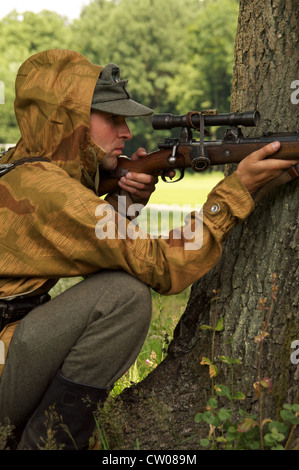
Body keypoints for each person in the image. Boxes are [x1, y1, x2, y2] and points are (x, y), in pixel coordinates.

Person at [0, 49, 296, 450]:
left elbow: (83, 243)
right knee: (125, 298)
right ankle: (48, 444)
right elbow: (161, 264)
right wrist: (234, 194)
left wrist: (125, 199)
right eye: (113, 119)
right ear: (69, 120)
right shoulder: (53, 193)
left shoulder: (19, 167)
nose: (125, 133)